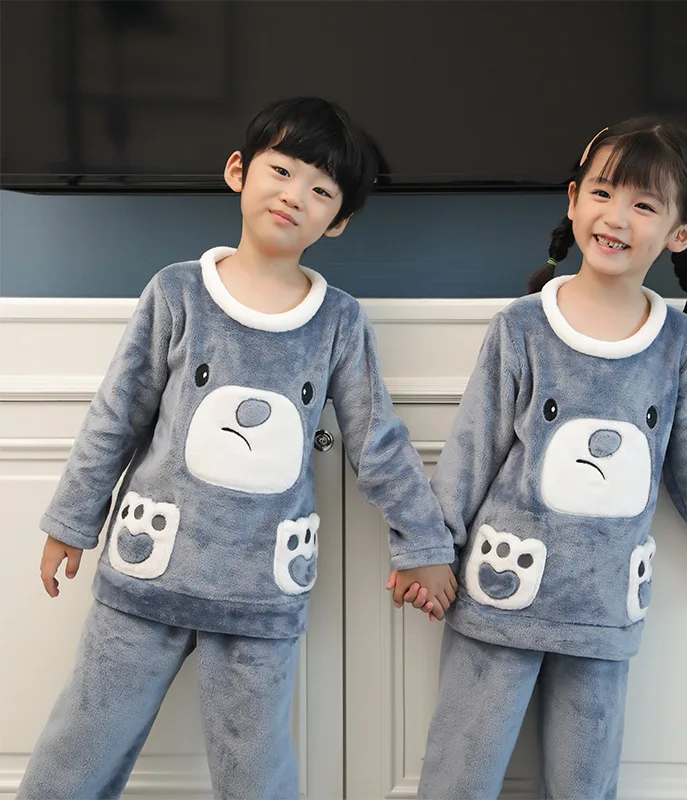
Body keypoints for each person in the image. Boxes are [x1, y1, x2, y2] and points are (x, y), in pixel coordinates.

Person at [19, 96, 456, 800]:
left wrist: (424, 545)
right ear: (238, 171)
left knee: (255, 768)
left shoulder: (339, 323)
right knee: (82, 742)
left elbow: (379, 444)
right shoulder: (177, 293)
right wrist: (71, 522)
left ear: (338, 221)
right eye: (281, 170)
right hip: (147, 573)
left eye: (321, 190)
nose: (295, 195)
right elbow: (116, 418)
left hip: (261, 593)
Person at [391, 118, 687, 799]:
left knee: (586, 784)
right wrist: (425, 549)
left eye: (644, 204)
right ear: (574, 199)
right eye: (603, 193)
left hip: (604, 611)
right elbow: (470, 449)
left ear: (681, 233)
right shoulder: (522, 327)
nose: (616, 217)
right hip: (498, 599)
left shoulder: (678, 347)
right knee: (461, 775)